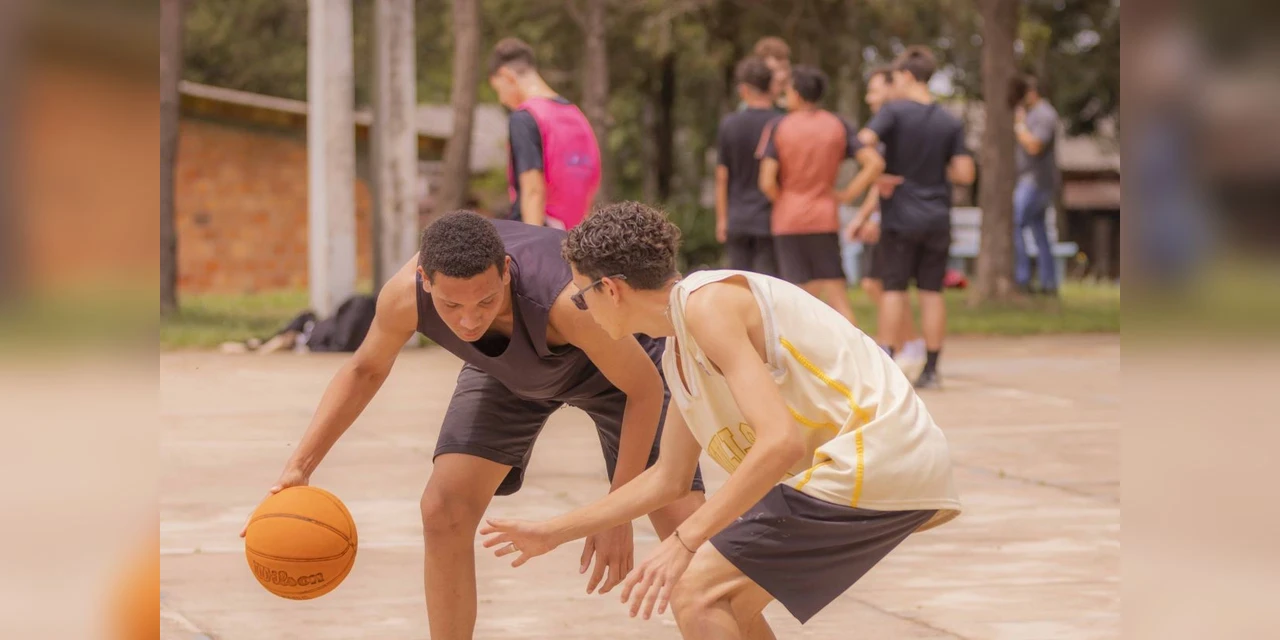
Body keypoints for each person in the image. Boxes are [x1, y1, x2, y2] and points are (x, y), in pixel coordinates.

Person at [480, 202, 961, 637]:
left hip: (874, 456)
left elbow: (780, 444)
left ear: (611, 288)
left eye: (582, 296)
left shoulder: (707, 304)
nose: (580, 308)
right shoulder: (680, 351)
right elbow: (668, 478)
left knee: (698, 592)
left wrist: (686, 541)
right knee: (727, 604)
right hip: (871, 465)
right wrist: (553, 531)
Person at [243, 212, 705, 639]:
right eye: (450, 305)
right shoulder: (406, 296)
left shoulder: (567, 302)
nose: (468, 320)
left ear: (506, 269)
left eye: (486, 300)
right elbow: (364, 370)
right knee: (442, 509)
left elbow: (643, 391)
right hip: (509, 371)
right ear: (425, 281)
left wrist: (618, 509)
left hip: (619, 377)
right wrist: (299, 467)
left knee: (690, 541)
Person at [847, 46, 975, 389]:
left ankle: (887, 363)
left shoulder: (894, 113)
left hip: (900, 217)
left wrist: (880, 173)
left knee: (893, 290)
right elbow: (965, 173)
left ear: (905, 76)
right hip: (936, 216)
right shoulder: (949, 120)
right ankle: (932, 370)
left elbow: (862, 141)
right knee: (932, 293)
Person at [759, 65, 884, 325]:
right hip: (824, 215)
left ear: (797, 93)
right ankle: (854, 356)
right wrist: (848, 194)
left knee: (794, 296)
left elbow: (766, 181)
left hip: (788, 218)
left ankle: (800, 361)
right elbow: (874, 164)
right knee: (837, 293)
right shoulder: (837, 125)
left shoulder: (779, 126)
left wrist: (783, 199)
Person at [847, 65, 926, 380]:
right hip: (884, 213)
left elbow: (891, 183)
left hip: (897, 218)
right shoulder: (884, 129)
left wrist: (873, 216)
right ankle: (908, 343)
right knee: (877, 284)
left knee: (885, 284)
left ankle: (905, 345)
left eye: (875, 90)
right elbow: (880, 185)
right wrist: (865, 215)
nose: (869, 97)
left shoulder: (895, 129)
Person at [488, 38, 601, 230]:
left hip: (542, 232)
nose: (502, 100)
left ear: (507, 76)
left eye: (499, 90)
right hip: (576, 235)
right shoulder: (577, 116)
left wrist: (534, 247)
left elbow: (533, 192)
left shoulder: (525, 118)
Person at [715, 57, 780, 276]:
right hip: (771, 218)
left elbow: (722, 176)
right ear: (772, 88)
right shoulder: (781, 123)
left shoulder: (729, 125)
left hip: (737, 218)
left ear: (743, 90)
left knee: (739, 286)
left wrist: (722, 219)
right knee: (769, 287)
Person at [1011, 74, 1062, 296]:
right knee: (1040, 232)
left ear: (1031, 92)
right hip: (1034, 180)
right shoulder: (1035, 113)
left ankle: (1023, 278)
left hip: (1036, 182)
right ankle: (1048, 283)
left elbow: (1034, 146)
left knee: (1015, 223)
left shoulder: (1044, 114)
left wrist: (1019, 125)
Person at [751, 37, 792, 111]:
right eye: (774, 70)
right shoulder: (751, 109)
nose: (782, 76)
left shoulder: (789, 106)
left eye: (785, 68)